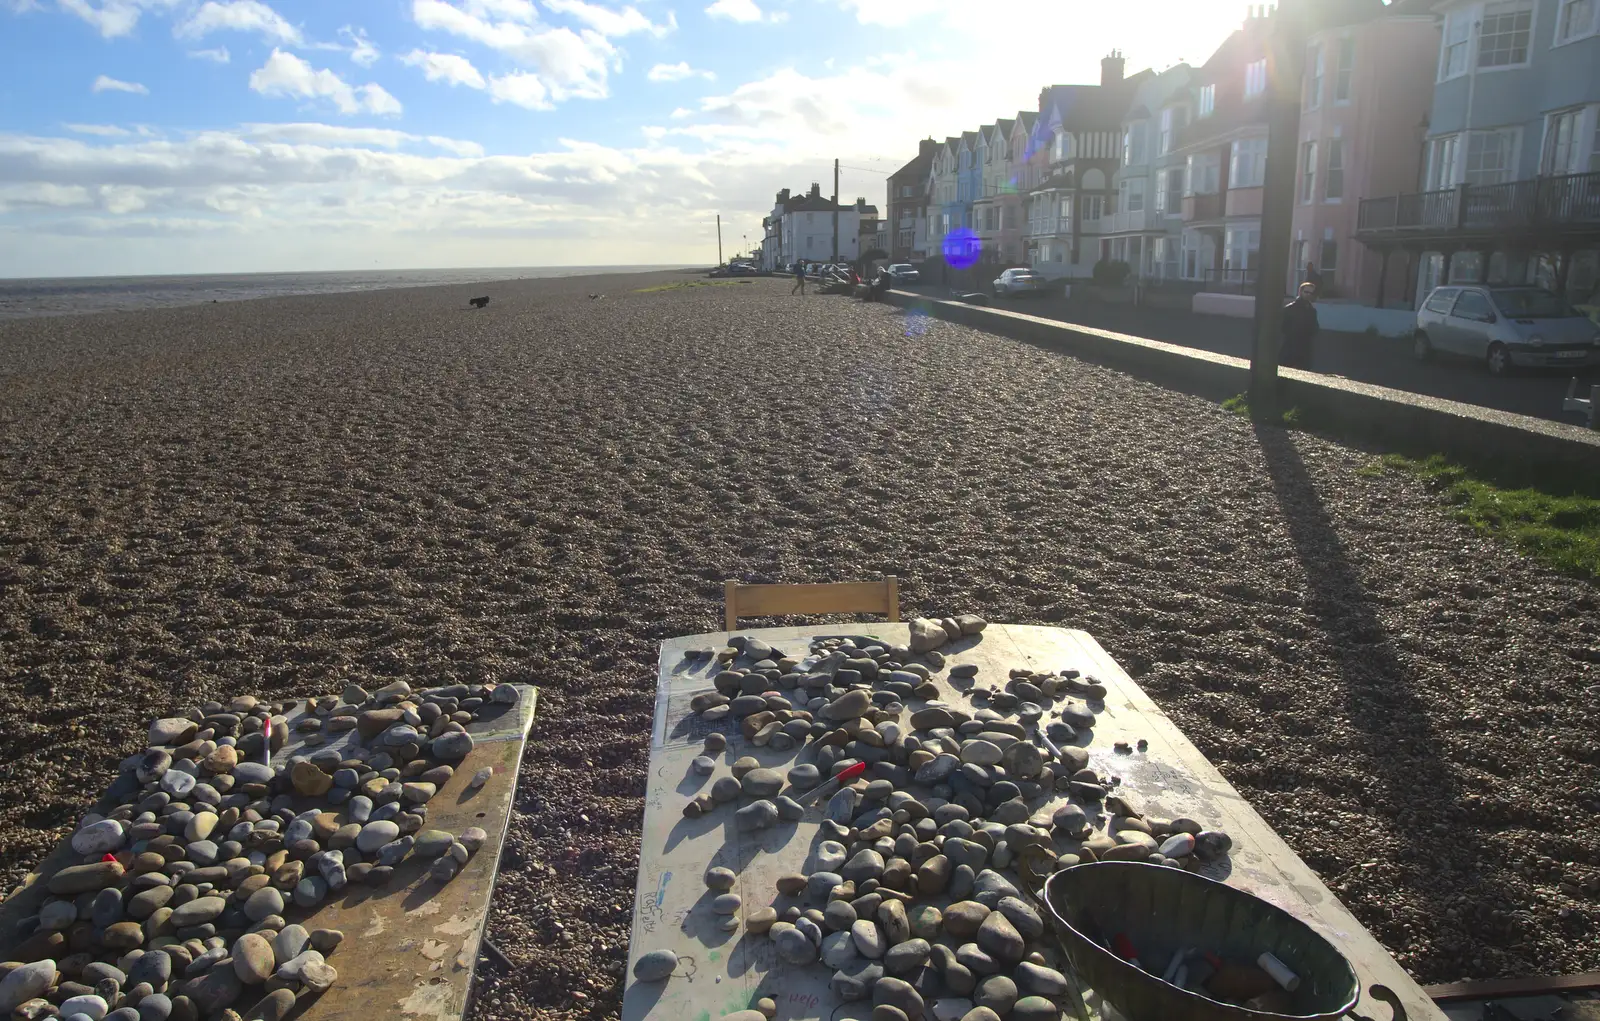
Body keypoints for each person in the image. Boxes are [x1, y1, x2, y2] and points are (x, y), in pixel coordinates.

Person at [1280, 281, 1319, 371]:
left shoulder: (1312, 310)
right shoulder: (1290, 308)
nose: (1308, 295)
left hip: (1305, 348)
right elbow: (1283, 327)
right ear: (1300, 292)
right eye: (1306, 292)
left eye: (1311, 293)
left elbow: (1315, 327)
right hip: (1290, 347)